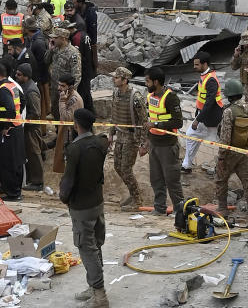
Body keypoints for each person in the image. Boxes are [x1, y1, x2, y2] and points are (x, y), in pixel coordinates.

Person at [61, 108, 110, 308]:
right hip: (97, 202)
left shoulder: (74, 149)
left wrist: (64, 197)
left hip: (81, 206)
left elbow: (68, 180)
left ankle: (100, 295)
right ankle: (94, 287)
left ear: (76, 125)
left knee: (87, 249)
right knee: (96, 245)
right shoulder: (101, 142)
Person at [143, 66, 184, 217]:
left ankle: (180, 210)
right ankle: (159, 208)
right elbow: (150, 119)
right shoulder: (150, 97)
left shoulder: (170, 97)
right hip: (154, 143)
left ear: (156, 81)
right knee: (156, 179)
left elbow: (178, 122)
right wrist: (146, 142)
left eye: (148, 81)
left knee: (172, 179)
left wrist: (157, 125)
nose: (146, 84)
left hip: (168, 145)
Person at [215, 79, 248, 218]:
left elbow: (225, 137)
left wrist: (221, 156)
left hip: (230, 153)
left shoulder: (229, 111)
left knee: (221, 179)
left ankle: (222, 209)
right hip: (246, 151)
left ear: (228, 95)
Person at [107, 66, 147, 210]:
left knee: (126, 168)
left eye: (117, 77)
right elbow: (114, 114)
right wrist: (111, 134)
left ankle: (137, 200)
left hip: (131, 137)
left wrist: (144, 144)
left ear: (125, 80)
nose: (114, 79)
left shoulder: (135, 97)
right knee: (118, 166)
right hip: (120, 134)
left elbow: (144, 121)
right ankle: (132, 193)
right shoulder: (116, 93)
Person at [0, 60, 25, 201]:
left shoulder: (3, 89)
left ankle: (13, 193)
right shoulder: (12, 86)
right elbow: (23, 101)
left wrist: (5, 126)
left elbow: (10, 109)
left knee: (6, 163)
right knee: (15, 162)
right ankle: (15, 191)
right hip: (15, 128)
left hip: (7, 132)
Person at [182, 52, 223, 174]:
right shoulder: (205, 76)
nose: (194, 67)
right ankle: (187, 165)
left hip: (210, 117)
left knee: (193, 136)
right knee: (193, 137)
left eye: (197, 64)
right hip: (206, 116)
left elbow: (209, 102)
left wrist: (198, 119)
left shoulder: (210, 80)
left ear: (205, 64)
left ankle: (188, 165)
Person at [14, 63, 44, 192]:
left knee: (34, 153)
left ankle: (38, 182)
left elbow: (36, 112)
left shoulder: (31, 91)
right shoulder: (23, 86)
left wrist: (24, 121)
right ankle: (32, 179)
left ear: (26, 76)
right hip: (27, 126)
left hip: (31, 127)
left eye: (19, 75)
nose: (16, 76)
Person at [47, 27, 81, 120]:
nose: (53, 39)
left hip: (66, 91)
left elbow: (76, 75)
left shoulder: (73, 53)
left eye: (56, 38)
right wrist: (50, 50)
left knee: (67, 115)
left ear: (63, 39)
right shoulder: (55, 49)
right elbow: (46, 61)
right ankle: (58, 132)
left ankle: (67, 133)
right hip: (55, 87)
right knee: (55, 111)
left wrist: (70, 92)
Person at [23, 16, 50, 123]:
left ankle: (42, 129)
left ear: (27, 28)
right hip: (38, 78)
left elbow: (43, 64)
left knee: (41, 105)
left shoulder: (38, 43)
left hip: (40, 80)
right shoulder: (32, 39)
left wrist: (39, 80)